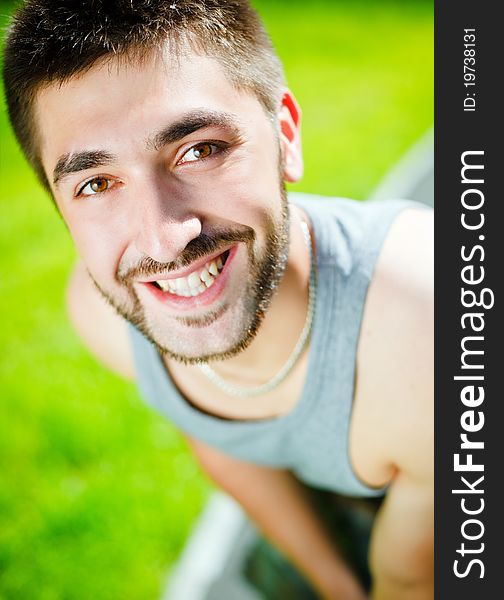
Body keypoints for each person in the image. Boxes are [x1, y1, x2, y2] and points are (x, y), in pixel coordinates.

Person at [2, 1, 433, 598]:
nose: (162, 238)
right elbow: (220, 441)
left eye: (199, 149)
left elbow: (414, 579)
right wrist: (334, 585)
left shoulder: (431, 337)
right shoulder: (105, 314)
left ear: (284, 136)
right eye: (97, 184)